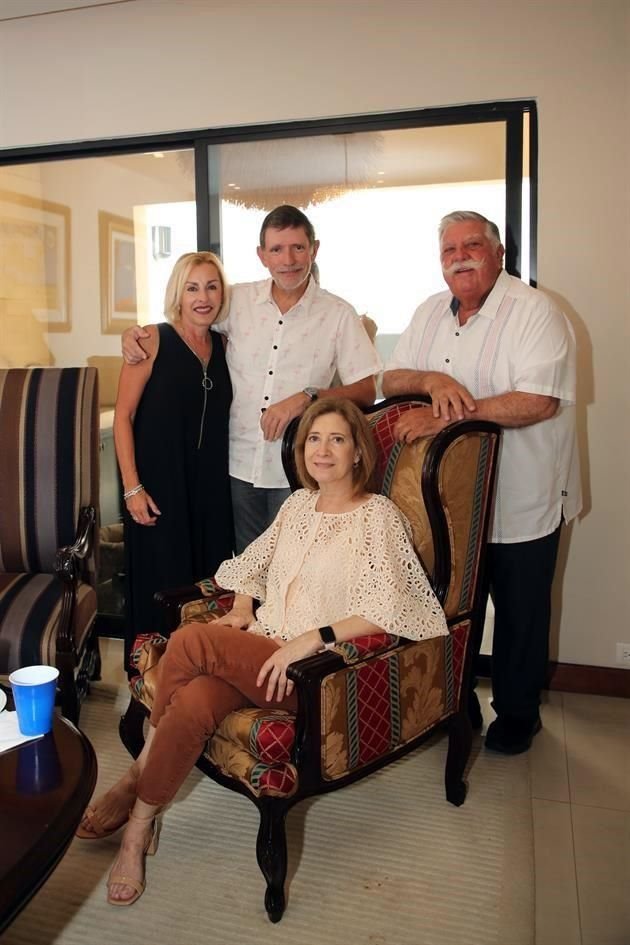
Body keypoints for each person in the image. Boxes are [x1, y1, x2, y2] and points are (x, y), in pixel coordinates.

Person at [77, 397, 448, 906]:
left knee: (189, 640)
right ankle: (140, 828)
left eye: (337, 439)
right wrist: (245, 604)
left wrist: (310, 638)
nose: (323, 450)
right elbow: (252, 562)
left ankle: (135, 776)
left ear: (358, 452)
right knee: (195, 702)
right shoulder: (297, 507)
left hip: (309, 676)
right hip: (260, 650)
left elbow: (396, 607)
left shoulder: (376, 517)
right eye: (314, 440)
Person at [382, 210, 581, 755]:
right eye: (449, 249)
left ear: (499, 254)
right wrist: (430, 379)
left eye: (472, 245)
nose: (460, 256)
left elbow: (537, 399)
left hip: (523, 492)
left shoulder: (536, 311)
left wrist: (446, 414)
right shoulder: (428, 311)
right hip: (445, 501)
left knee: (520, 609)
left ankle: (519, 712)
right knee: (446, 604)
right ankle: (456, 699)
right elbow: (390, 377)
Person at [122, 206, 381, 552]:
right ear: (262, 255)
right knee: (242, 576)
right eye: (276, 249)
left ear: (314, 249)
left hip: (298, 472)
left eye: (298, 248)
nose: (288, 260)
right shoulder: (235, 301)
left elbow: (367, 389)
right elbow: (189, 323)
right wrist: (137, 335)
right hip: (233, 471)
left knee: (294, 576)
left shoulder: (338, 314)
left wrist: (308, 397)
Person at [113, 251, 234, 674]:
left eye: (212, 286)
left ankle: (196, 677)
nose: (203, 297)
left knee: (207, 588)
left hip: (211, 493)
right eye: (192, 287)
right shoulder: (151, 339)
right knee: (160, 588)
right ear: (178, 294)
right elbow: (122, 418)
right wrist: (132, 487)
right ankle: (149, 679)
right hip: (157, 490)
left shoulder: (224, 345)